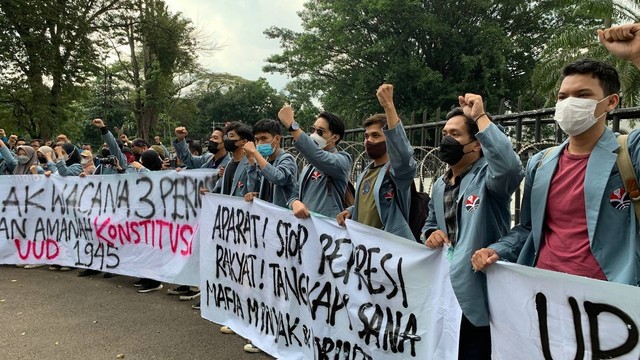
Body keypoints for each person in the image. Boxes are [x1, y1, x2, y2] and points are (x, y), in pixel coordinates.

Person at [472, 24, 640, 288]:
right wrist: (498, 249)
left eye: (583, 95)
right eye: (563, 96)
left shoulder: (629, 153)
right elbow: (528, 228)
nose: (569, 102)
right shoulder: (541, 163)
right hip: (546, 294)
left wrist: (638, 57)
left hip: (610, 300)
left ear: (611, 102)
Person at [421, 95, 524, 359]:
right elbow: (431, 222)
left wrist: (480, 118)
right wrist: (430, 234)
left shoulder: (488, 178)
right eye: (445, 133)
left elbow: (510, 168)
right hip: (446, 295)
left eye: (455, 134)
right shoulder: (440, 185)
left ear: (476, 145)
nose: (446, 139)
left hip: (480, 295)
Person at [336, 84, 417, 240]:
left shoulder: (397, 172)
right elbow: (372, 203)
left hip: (388, 250)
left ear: (389, 138)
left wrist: (389, 107)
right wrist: (352, 211)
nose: (369, 141)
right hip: (365, 251)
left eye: (376, 136)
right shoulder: (366, 172)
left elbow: (403, 156)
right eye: (367, 137)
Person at [278, 107, 352, 219]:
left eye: (320, 131)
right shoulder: (309, 166)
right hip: (305, 231)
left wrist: (292, 125)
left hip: (327, 231)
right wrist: (295, 203)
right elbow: (293, 196)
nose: (314, 134)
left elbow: (317, 155)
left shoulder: (342, 160)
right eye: (313, 129)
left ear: (334, 138)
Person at [244, 118, 298, 208]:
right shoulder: (265, 162)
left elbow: (278, 178)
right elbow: (252, 187)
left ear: (277, 139)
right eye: (257, 140)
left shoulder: (287, 159)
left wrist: (255, 153)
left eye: (264, 138)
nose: (259, 143)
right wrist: (251, 161)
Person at [211, 122, 254, 197]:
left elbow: (253, 189)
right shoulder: (228, 165)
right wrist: (208, 194)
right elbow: (219, 190)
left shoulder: (251, 165)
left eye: (231, 136)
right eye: (226, 137)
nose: (227, 140)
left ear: (243, 141)